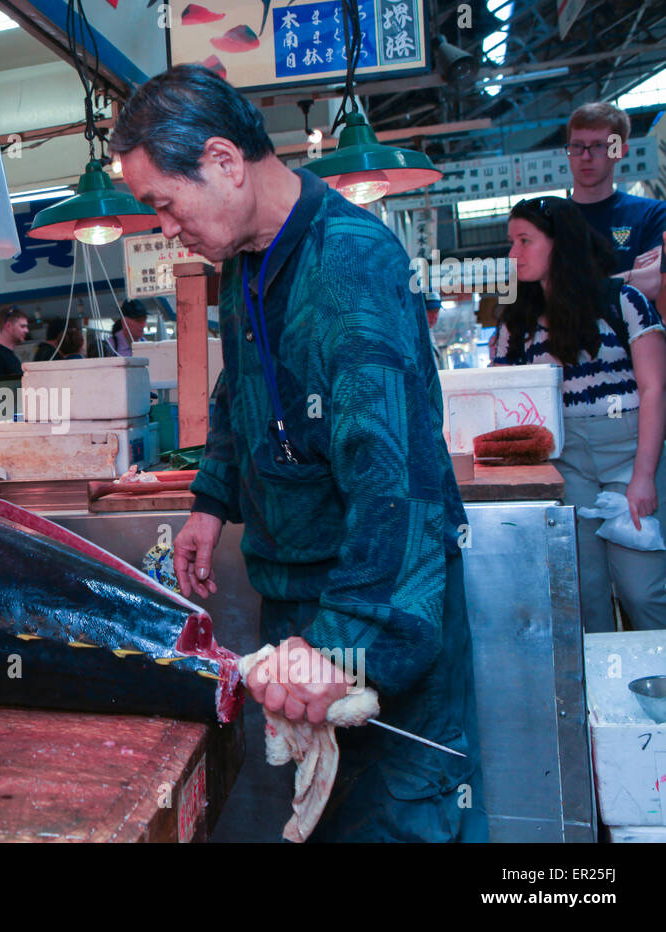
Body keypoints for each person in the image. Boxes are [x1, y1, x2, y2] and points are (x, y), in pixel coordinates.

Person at [112, 63, 486, 842]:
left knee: (396, 822)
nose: (165, 228)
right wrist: (211, 503)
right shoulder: (246, 262)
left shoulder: (350, 266)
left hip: (371, 605)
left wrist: (341, 641)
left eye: (163, 205)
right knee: (328, 822)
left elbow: (398, 482)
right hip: (299, 605)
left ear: (222, 161)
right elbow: (238, 393)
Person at [494, 196, 666, 632]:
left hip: (631, 456)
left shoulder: (623, 300)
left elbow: (654, 386)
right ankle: (602, 698)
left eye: (525, 240)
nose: (513, 254)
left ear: (560, 243)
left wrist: (645, 474)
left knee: (642, 589)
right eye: (512, 242)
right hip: (565, 464)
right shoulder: (517, 322)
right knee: (583, 594)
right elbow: (498, 398)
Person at [567, 102, 666, 307]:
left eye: (598, 146)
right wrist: (630, 277)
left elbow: (656, 281)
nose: (586, 156)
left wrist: (574, 294)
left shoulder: (652, 214)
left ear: (619, 152)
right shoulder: (548, 220)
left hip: (634, 336)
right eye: (577, 146)